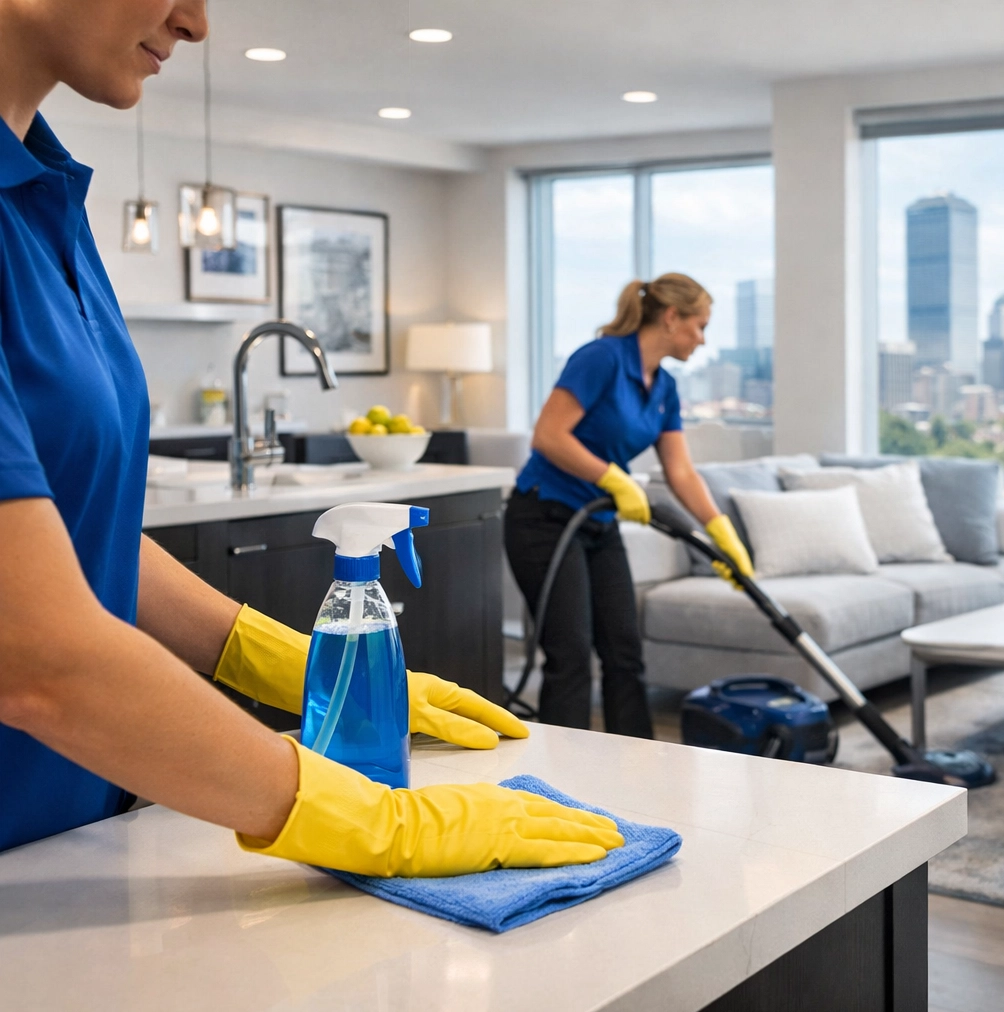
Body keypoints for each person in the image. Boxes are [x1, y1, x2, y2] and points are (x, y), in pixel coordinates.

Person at [0, 0, 622, 876]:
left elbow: (67, 542)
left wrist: (290, 664)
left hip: (62, 850)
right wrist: (381, 826)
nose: (197, 24)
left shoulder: (42, 198)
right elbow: (34, 654)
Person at [506, 274, 755, 735]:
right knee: (571, 654)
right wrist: (611, 477)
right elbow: (548, 436)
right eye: (699, 326)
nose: (702, 339)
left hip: (598, 524)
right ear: (671, 317)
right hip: (543, 519)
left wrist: (721, 533)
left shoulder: (664, 388)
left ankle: (640, 770)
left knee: (624, 651)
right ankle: (556, 780)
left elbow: (680, 471)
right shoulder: (601, 359)